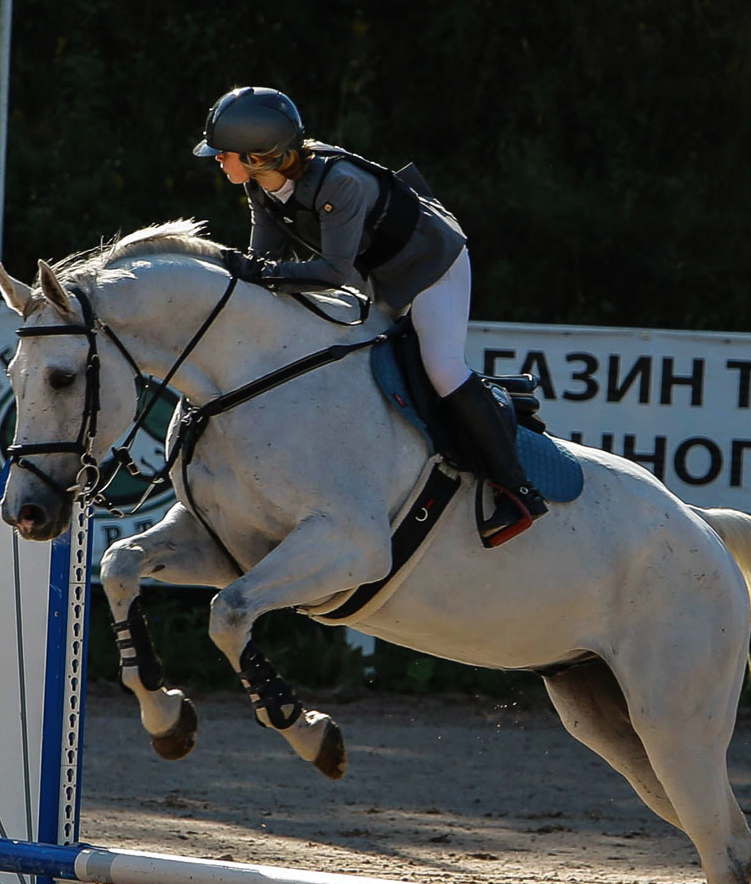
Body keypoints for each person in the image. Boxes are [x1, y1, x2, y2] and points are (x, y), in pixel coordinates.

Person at [195, 86, 548, 544]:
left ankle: (517, 488)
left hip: (430, 262)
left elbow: (331, 271)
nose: (218, 161)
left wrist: (258, 272)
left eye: (225, 154)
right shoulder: (262, 189)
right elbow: (265, 262)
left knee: (441, 368)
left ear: (260, 155)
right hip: (375, 273)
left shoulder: (338, 183)